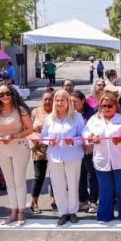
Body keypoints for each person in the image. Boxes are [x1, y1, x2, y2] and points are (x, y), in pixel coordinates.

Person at [0, 84, 34, 226]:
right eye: (1, 94)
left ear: (12, 94)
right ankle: (13, 212)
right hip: (2, 149)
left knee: (19, 180)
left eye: (7, 93)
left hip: (20, 147)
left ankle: (21, 212)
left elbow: (30, 129)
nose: (5, 96)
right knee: (9, 182)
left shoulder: (20, 110)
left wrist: (14, 136)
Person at [84, 91, 121, 223]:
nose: (106, 108)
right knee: (105, 190)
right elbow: (85, 132)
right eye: (104, 106)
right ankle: (105, 216)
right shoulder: (94, 119)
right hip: (102, 161)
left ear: (115, 106)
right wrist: (90, 137)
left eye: (110, 106)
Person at [36, 89, 86, 226]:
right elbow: (43, 137)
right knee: (58, 186)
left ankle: (72, 211)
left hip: (73, 156)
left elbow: (83, 135)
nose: (59, 103)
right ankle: (63, 212)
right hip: (54, 157)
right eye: (57, 100)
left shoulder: (77, 117)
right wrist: (49, 142)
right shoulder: (49, 118)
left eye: (62, 100)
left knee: (73, 184)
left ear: (68, 101)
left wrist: (73, 141)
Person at [71, 91, 98, 212]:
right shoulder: (70, 114)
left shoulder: (93, 113)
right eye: (71, 101)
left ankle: (93, 201)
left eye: (75, 101)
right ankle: (82, 199)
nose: (72, 104)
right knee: (79, 174)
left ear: (83, 100)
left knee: (92, 174)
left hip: (89, 148)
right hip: (76, 148)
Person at [29, 89, 55, 213]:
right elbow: (28, 129)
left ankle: (54, 199)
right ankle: (34, 202)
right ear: (41, 100)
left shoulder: (57, 112)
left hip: (55, 148)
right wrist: (33, 138)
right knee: (39, 176)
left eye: (50, 99)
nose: (48, 101)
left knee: (55, 175)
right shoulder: (35, 112)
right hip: (39, 148)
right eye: (45, 99)